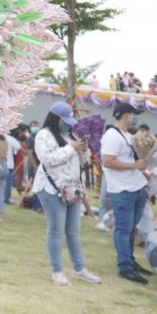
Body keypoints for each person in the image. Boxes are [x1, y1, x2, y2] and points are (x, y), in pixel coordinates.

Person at [32, 102, 101, 286]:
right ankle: (57, 271)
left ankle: (79, 269)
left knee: (73, 231)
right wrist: (72, 147)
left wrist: (84, 150)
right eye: (65, 121)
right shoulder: (43, 135)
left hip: (72, 188)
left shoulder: (71, 135)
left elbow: (82, 162)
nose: (68, 125)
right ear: (56, 119)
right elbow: (48, 159)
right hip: (51, 188)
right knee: (56, 231)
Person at [101, 103, 153, 284]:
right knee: (123, 229)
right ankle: (125, 267)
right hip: (122, 190)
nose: (135, 118)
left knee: (131, 229)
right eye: (133, 114)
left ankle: (130, 261)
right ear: (125, 116)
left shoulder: (128, 135)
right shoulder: (112, 136)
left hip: (135, 187)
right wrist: (134, 166)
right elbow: (107, 161)